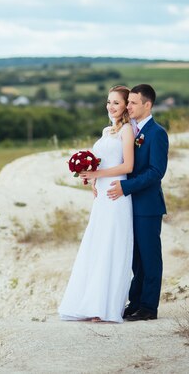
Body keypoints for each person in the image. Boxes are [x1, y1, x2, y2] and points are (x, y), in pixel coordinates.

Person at [58, 85, 135, 323]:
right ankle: (90, 303)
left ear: (126, 106)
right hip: (101, 195)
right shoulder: (106, 130)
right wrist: (89, 176)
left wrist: (98, 175)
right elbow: (101, 162)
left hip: (116, 193)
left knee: (111, 246)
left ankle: (105, 306)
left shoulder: (128, 131)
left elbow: (128, 167)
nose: (110, 106)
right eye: (108, 102)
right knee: (97, 243)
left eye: (116, 103)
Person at [107, 84, 168, 321]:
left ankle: (149, 307)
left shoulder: (157, 133)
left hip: (147, 206)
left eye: (133, 103)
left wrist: (126, 187)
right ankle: (135, 302)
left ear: (147, 105)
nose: (128, 106)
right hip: (128, 205)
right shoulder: (128, 129)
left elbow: (156, 172)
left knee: (150, 257)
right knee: (136, 258)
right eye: (128, 102)